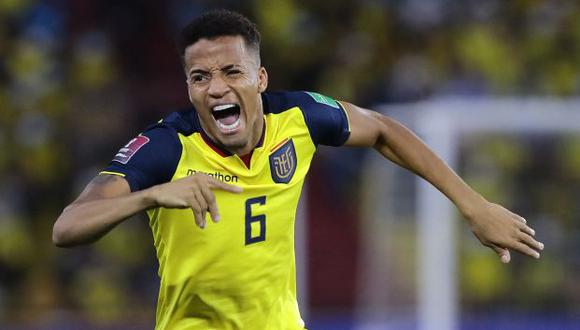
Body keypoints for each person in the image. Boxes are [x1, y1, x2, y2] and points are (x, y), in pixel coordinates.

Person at [52, 9, 544, 330]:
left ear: (260, 79)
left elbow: (384, 130)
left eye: (231, 72)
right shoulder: (166, 147)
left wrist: (473, 205)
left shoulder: (300, 119)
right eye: (200, 77)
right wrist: (152, 196)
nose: (216, 88)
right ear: (188, 89)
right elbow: (66, 228)